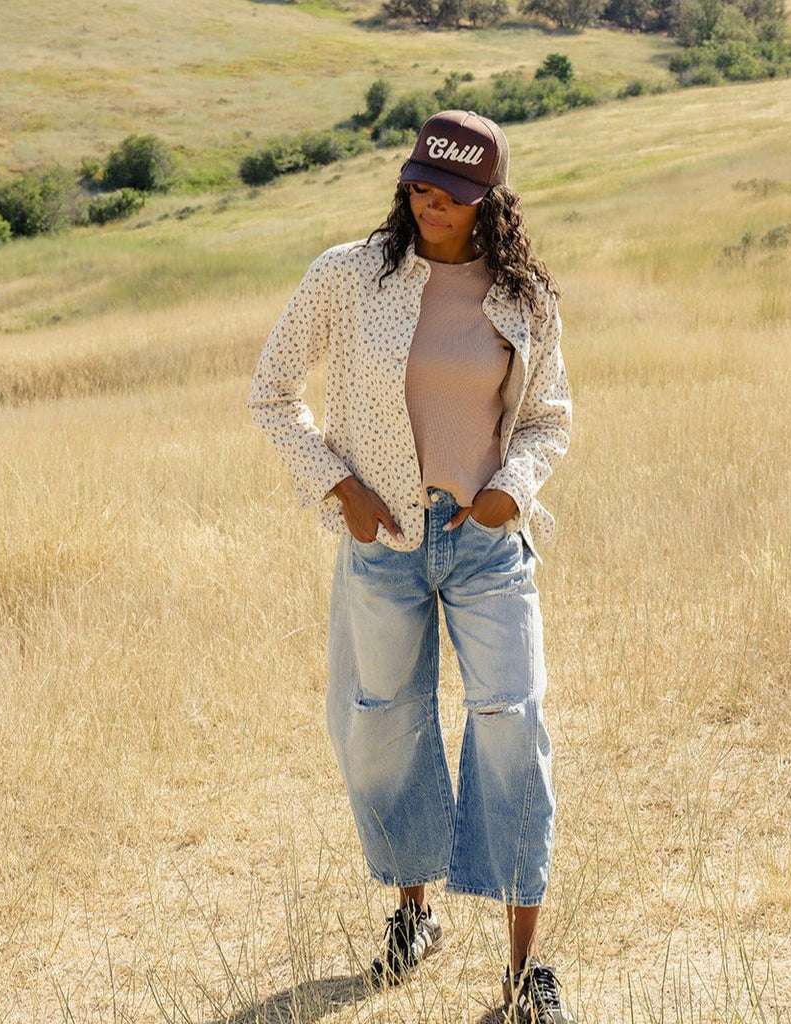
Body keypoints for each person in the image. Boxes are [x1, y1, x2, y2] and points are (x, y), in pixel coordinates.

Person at [248, 110, 574, 1024]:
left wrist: (511, 487)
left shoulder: (524, 296)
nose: (433, 203)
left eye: (456, 193)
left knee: (514, 724)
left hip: (485, 543)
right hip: (383, 544)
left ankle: (524, 969)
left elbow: (549, 414)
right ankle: (413, 915)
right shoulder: (349, 276)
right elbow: (272, 394)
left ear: (489, 199)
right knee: (385, 728)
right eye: (422, 185)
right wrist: (341, 488)